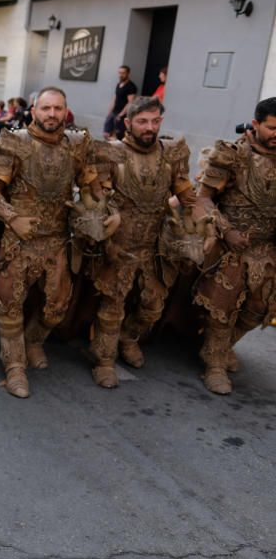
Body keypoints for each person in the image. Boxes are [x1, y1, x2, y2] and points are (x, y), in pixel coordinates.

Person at [0, 87, 111, 398]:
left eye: (57, 109)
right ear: (34, 111)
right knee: (9, 303)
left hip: (58, 239)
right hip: (18, 240)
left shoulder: (77, 144)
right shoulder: (15, 142)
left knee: (56, 307)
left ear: (66, 111)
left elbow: (93, 187)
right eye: (46, 108)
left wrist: (105, 211)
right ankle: (14, 365)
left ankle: (33, 342)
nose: (52, 114)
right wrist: (12, 217)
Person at [87, 96, 196, 388]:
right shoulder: (110, 154)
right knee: (113, 305)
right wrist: (104, 220)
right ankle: (104, 359)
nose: (150, 127)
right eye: (142, 121)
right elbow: (97, 196)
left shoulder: (171, 154)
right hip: (119, 245)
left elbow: (187, 195)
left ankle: (128, 337)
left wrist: (201, 220)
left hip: (155, 245)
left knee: (152, 306)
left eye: (155, 121)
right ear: (128, 123)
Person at [193, 97, 276, 394]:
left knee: (259, 308)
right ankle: (214, 364)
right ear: (256, 124)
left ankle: (222, 347)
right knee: (223, 308)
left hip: (267, 250)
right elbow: (202, 200)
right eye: (272, 128)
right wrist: (226, 231)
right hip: (231, 248)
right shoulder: (232, 156)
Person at [104, 65, 138, 141]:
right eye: (119, 73)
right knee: (106, 134)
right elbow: (115, 99)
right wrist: (109, 112)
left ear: (128, 73)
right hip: (113, 113)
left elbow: (130, 102)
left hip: (122, 115)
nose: (121, 75)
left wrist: (121, 114)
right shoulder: (118, 84)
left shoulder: (131, 87)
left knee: (117, 136)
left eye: (123, 73)